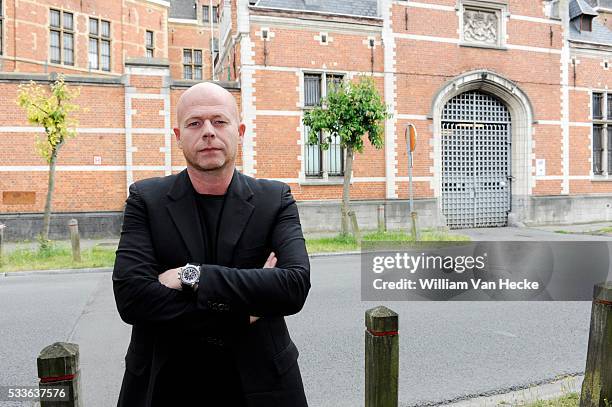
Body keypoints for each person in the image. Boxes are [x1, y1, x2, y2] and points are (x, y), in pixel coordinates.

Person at [112, 82, 311, 407]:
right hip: (165, 383)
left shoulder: (274, 199)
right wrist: (243, 312)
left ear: (240, 131)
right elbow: (131, 298)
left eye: (219, 121)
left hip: (261, 386)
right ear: (178, 135)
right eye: (195, 123)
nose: (208, 132)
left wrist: (194, 275)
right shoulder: (145, 200)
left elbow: (293, 285)